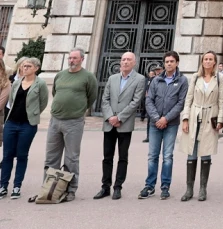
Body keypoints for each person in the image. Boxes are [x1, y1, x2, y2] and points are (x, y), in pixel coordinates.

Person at [37, 48, 97, 202]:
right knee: (51, 158)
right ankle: (48, 188)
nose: (71, 60)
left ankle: (70, 189)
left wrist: (78, 109)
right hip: (55, 120)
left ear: (82, 59)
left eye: (75, 58)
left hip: (74, 122)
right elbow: (55, 93)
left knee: (71, 158)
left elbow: (91, 97)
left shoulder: (88, 77)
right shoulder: (60, 75)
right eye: (70, 58)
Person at [94, 51, 146, 200]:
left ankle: (118, 186)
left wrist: (120, 117)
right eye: (123, 59)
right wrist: (110, 116)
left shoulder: (140, 79)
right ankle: (105, 187)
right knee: (107, 157)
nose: (125, 62)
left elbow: (135, 101)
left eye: (129, 60)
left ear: (134, 63)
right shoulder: (112, 78)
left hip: (124, 124)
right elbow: (105, 99)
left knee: (123, 157)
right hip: (109, 123)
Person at [139, 51, 188, 200]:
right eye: (167, 61)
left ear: (177, 63)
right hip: (155, 124)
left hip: (171, 124)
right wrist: (156, 118)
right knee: (152, 156)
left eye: (172, 61)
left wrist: (165, 119)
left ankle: (165, 186)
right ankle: (150, 185)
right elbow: (149, 100)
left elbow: (181, 103)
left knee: (167, 156)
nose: (169, 64)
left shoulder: (182, 80)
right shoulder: (156, 80)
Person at [179, 51, 223, 202]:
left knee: (206, 152)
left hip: (210, 115)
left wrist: (220, 120)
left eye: (210, 59)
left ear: (214, 62)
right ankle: (189, 189)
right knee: (191, 152)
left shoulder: (220, 78)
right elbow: (188, 99)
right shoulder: (195, 77)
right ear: (202, 61)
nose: (207, 61)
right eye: (205, 59)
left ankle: (202, 188)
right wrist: (185, 118)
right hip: (194, 115)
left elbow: (221, 101)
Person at [0, 58, 48, 200]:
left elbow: (43, 102)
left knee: (22, 155)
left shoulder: (41, 84)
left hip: (28, 125)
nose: (24, 68)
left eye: (28, 66)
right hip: (11, 123)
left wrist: (33, 114)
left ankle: (17, 186)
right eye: (23, 66)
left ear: (36, 68)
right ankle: (3, 186)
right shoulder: (16, 83)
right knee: (7, 155)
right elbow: (11, 101)